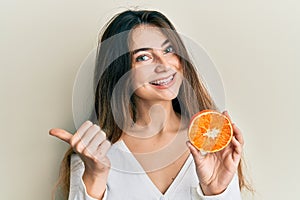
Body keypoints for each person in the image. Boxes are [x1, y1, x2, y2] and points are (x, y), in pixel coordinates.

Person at [50, 9, 249, 200]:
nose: (164, 65)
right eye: (143, 57)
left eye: (168, 50)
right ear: (120, 72)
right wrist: (95, 177)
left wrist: (217, 192)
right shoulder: (93, 154)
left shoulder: (212, 144)